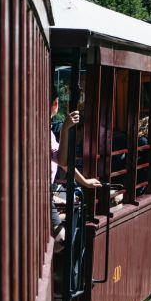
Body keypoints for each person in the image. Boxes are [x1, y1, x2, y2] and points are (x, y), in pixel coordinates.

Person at [50, 88, 101, 245]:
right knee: (60, 241)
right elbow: (63, 161)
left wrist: (84, 181)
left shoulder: (48, 131)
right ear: (55, 104)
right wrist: (66, 129)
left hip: (47, 191)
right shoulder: (46, 131)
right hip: (42, 194)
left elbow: (62, 162)